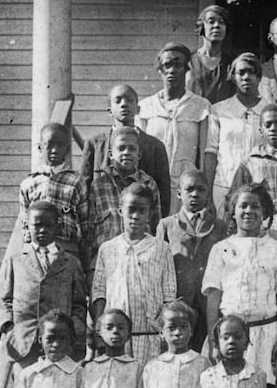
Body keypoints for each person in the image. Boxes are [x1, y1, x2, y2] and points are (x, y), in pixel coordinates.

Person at [202, 185, 277, 384]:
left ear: (265, 212)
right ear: (233, 212)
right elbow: (213, 299)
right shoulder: (221, 249)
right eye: (243, 206)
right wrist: (213, 340)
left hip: (266, 335)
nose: (249, 211)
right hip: (229, 336)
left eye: (256, 206)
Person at [90, 182, 176, 366]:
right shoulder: (107, 249)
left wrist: (164, 333)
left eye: (142, 211)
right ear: (121, 211)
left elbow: (169, 296)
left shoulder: (161, 248)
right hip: (115, 338)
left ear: (149, 214)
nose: (136, 216)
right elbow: (99, 293)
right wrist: (99, 331)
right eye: (131, 210)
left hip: (150, 337)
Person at [1, 201, 87, 369]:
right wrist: (10, 329)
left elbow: (79, 305)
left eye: (48, 225)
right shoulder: (16, 260)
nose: (42, 230)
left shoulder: (71, 263)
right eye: (37, 225)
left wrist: (72, 330)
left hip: (59, 346)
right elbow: (6, 300)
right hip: (24, 345)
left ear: (57, 226)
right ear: (27, 225)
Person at [156, 169, 228, 344]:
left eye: (201, 190)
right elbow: (159, 267)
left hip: (208, 305)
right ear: (179, 193)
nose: (195, 194)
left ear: (208, 193)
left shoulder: (219, 227)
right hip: (179, 304)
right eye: (189, 189)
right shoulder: (167, 225)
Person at [80, 83, 172, 219]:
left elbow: (163, 194)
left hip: (141, 224)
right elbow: (84, 189)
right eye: (118, 101)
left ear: (138, 109)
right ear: (110, 110)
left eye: (129, 100)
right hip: (104, 224)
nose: (124, 104)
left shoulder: (155, 146)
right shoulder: (95, 144)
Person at [138, 42, 211, 195]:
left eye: (178, 65)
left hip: (186, 186)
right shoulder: (145, 107)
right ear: (160, 70)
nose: (171, 70)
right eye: (167, 65)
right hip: (152, 183)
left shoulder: (201, 106)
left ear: (186, 69)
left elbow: (204, 153)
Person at [19, 122, 94, 269]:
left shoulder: (76, 181)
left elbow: (86, 224)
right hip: (38, 253)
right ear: (40, 147)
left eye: (60, 145)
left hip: (68, 250)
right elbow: (25, 226)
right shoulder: (29, 184)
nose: (54, 150)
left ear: (67, 149)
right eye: (49, 145)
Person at [89, 125, 163, 262]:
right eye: (121, 148)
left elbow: (156, 225)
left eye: (132, 148)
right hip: (107, 260)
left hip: (141, 259)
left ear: (139, 154)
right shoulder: (98, 186)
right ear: (111, 154)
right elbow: (89, 230)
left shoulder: (148, 184)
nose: (127, 152)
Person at [207, 53, 267, 211]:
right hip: (224, 187)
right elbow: (210, 153)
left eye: (252, 72)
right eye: (241, 72)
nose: (247, 77)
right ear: (233, 77)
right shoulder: (219, 110)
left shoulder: (269, 112)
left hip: (260, 189)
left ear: (259, 77)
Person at [187, 4, 235, 104]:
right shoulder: (187, 60)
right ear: (201, 27)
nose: (217, 25)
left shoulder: (232, 64)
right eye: (211, 22)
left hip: (223, 118)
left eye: (221, 22)